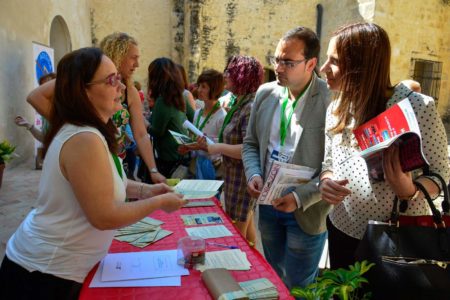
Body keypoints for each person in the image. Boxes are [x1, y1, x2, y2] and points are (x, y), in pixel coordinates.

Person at [0, 47, 186, 299]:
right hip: (44, 273)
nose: (121, 87)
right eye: (111, 80)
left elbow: (107, 181)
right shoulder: (84, 138)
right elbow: (104, 216)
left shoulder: (89, 130)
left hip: (51, 268)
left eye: (119, 78)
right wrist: (160, 201)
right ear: (83, 90)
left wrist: (146, 189)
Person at [318, 22, 450, 270]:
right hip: (341, 230)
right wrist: (325, 181)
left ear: (362, 66)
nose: (324, 68)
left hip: (395, 240)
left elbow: (440, 173)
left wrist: (409, 190)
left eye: (334, 61)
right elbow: (328, 163)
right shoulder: (335, 110)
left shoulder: (417, 107)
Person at [242, 27, 331, 289]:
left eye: (288, 62)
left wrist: (299, 197)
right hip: (268, 205)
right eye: (277, 59)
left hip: (307, 210)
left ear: (311, 64)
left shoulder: (330, 99)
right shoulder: (265, 93)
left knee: (299, 287)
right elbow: (250, 144)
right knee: (274, 278)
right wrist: (254, 174)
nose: (279, 68)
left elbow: (336, 165)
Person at [27, 32, 166, 184]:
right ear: (118, 55)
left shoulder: (130, 90)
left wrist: (153, 170)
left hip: (119, 160)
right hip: (89, 157)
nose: (137, 64)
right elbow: (35, 97)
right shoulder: (86, 77)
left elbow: (140, 134)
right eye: (133, 57)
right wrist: (70, 123)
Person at [198, 55, 264, 244]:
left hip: (242, 178)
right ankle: (254, 265)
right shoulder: (240, 102)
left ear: (241, 76)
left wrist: (215, 147)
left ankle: (242, 270)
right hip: (235, 176)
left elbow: (248, 147)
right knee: (246, 231)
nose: (225, 75)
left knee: (237, 237)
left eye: (230, 72)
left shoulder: (249, 106)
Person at [146, 57, 192, 178]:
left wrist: (144, 123)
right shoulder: (181, 95)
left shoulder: (163, 100)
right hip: (182, 153)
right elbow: (194, 118)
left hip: (169, 157)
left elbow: (157, 131)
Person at [178, 69, 227, 179]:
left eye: (204, 87)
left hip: (214, 170)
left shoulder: (222, 117)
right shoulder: (198, 113)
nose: (199, 90)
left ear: (214, 89)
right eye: (199, 85)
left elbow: (221, 150)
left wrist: (201, 146)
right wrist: (187, 147)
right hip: (196, 166)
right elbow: (195, 140)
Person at [15, 73, 57, 143]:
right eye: (42, 86)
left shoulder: (65, 109)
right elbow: (45, 140)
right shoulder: (46, 111)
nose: (45, 89)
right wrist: (28, 125)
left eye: (49, 85)